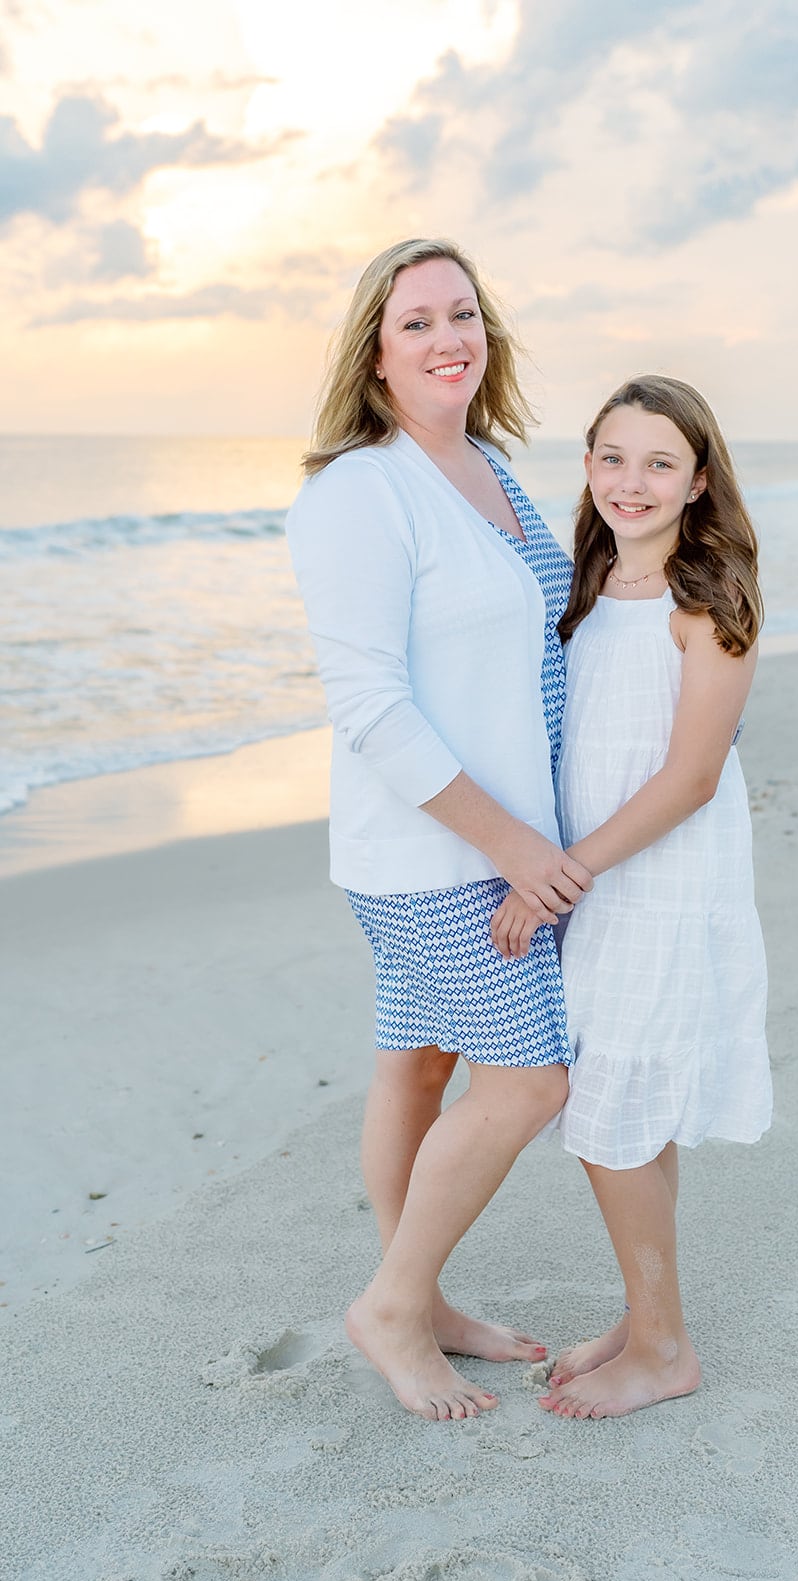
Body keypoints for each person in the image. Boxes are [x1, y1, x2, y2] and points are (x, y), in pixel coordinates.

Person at [286, 238, 591, 1422]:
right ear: (372, 349)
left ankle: (420, 1290)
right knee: (527, 1081)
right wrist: (515, 844)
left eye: (462, 313)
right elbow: (368, 705)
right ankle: (396, 1305)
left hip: (494, 837)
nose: (446, 337)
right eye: (415, 321)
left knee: (416, 1064)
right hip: (429, 850)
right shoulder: (358, 491)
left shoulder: (489, 468)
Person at [491, 375, 772, 1418]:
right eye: (612, 457)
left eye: (658, 462)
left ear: (698, 480)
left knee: (609, 1109)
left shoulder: (710, 602)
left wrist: (566, 871)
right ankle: (643, 1316)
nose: (631, 481)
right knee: (632, 1107)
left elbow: (690, 776)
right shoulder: (585, 578)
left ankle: (664, 1348)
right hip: (595, 879)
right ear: (586, 466)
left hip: (655, 883)